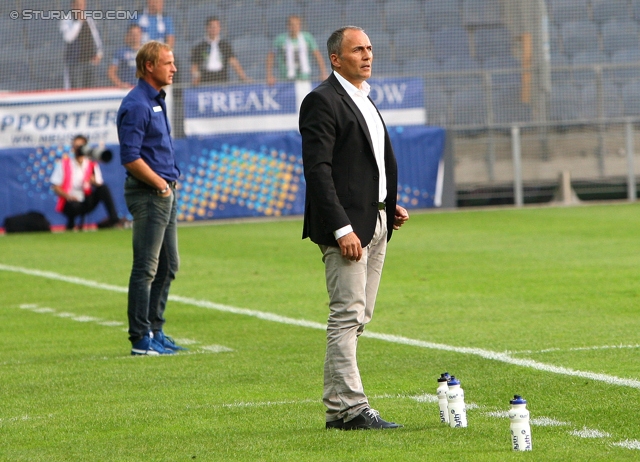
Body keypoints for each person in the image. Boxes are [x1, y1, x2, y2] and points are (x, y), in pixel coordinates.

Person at [299, 26, 410, 430]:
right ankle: (351, 408)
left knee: (359, 316)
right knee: (347, 316)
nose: (367, 55)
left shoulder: (364, 98)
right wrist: (342, 227)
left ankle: (339, 409)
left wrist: (384, 203)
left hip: (375, 220)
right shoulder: (321, 101)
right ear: (335, 58)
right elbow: (319, 171)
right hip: (347, 229)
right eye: (358, 49)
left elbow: (363, 165)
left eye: (370, 48)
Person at [116, 40, 185, 356]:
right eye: (168, 63)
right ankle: (140, 338)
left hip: (164, 191)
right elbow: (130, 157)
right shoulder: (138, 104)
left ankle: (155, 329)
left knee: (168, 264)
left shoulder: (156, 99)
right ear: (149, 67)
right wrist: (160, 184)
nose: (174, 68)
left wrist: (171, 180)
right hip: (149, 194)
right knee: (146, 267)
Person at [50, 135, 120, 230]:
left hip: (87, 200)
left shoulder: (91, 164)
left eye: (81, 146)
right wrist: (68, 196)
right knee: (72, 205)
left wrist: (93, 181)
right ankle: (71, 224)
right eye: (76, 146)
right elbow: (55, 186)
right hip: (70, 201)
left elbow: (99, 184)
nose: (78, 149)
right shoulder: (64, 163)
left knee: (104, 188)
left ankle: (114, 220)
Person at [266, 15, 327, 86]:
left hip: (304, 78)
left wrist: (323, 73)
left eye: (297, 24)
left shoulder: (307, 38)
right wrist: (269, 75)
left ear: (300, 25)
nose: (294, 27)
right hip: (286, 79)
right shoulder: (280, 39)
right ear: (288, 26)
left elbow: (317, 54)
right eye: (292, 25)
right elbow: (271, 56)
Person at [190, 16, 251, 85]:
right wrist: (196, 77)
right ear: (207, 28)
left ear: (219, 28)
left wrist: (244, 77)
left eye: (216, 27)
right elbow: (194, 66)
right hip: (205, 81)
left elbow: (234, 63)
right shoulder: (199, 47)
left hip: (222, 81)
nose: (214, 29)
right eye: (212, 27)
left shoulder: (225, 45)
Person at [60, 0, 103, 89]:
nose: (81, 7)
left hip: (89, 62)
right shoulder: (67, 20)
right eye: (78, 5)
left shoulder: (89, 19)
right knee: (74, 90)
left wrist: (99, 53)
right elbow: (69, 37)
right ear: (73, 5)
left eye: (83, 5)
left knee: (89, 90)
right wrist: (79, 22)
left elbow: (95, 36)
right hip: (74, 64)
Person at [108, 24, 142, 89]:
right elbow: (111, 72)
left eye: (137, 34)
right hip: (127, 89)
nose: (135, 36)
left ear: (141, 35)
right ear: (128, 35)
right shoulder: (121, 52)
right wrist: (120, 84)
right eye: (132, 34)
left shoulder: (147, 52)